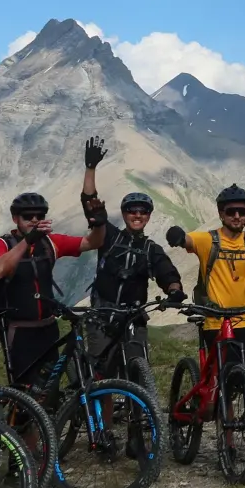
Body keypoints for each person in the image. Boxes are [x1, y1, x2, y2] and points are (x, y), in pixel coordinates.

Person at [165, 183, 245, 470]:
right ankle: (229, 445)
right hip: (216, 322)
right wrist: (176, 235)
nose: (237, 216)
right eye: (231, 211)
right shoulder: (208, 240)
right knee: (224, 385)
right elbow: (187, 240)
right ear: (221, 213)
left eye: (242, 212)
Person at [0, 140, 108, 394]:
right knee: (26, 398)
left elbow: (93, 242)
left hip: (49, 329)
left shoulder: (50, 243)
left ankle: (49, 433)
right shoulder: (1, 243)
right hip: (19, 333)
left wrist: (99, 223)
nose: (34, 220)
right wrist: (27, 241)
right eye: (27, 216)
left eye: (39, 216)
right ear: (15, 219)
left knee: (48, 393)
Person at [80, 138, 185, 383]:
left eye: (143, 211)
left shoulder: (151, 248)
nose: (137, 215)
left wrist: (175, 290)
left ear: (148, 216)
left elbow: (167, 273)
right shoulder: (109, 237)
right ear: (124, 213)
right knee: (102, 378)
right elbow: (90, 205)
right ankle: (102, 422)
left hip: (133, 319)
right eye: (131, 210)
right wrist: (90, 169)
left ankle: (142, 419)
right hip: (102, 317)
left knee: (138, 375)